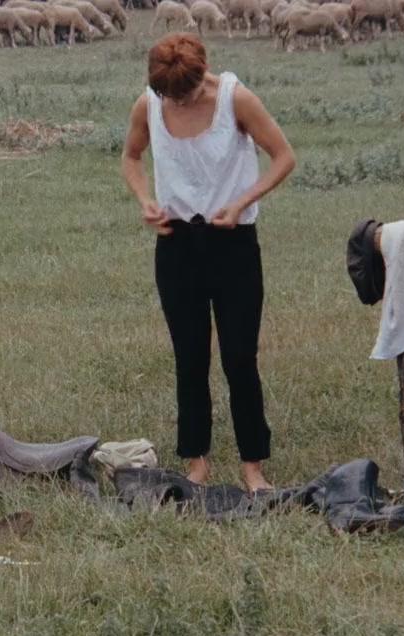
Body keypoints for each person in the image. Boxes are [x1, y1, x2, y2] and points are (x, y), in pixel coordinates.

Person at [120, 32, 296, 491]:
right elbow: (131, 156)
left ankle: (253, 466)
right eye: (170, 96)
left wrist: (241, 202)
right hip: (176, 244)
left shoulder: (236, 99)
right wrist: (145, 200)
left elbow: (283, 157)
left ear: (202, 75)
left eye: (186, 93)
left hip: (232, 242)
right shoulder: (148, 105)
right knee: (190, 357)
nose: (178, 102)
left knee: (240, 357)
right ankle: (196, 462)